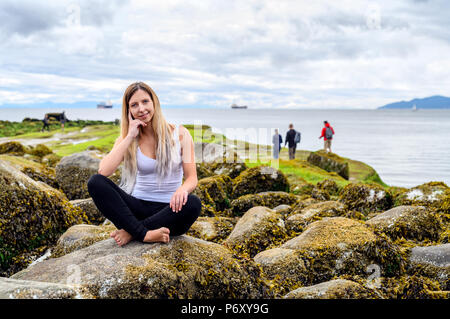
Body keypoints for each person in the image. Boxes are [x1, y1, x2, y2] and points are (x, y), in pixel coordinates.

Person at [87, 82, 201, 247]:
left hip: (170, 211)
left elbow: (192, 178)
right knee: (95, 183)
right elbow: (104, 171)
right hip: (137, 208)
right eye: (134, 105)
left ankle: (131, 232)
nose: (141, 109)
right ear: (128, 111)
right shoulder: (129, 138)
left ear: (154, 102)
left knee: (193, 203)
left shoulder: (181, 134)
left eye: (145, 102)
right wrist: (129, 136)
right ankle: (144, 234)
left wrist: (182, 190)